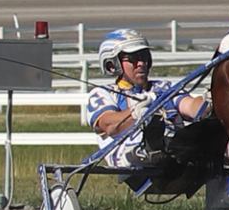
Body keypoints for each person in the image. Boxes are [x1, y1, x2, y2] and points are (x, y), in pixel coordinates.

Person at [84, 29, 209, 162]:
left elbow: (191, 106)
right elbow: (109, 125)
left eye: (144, 57)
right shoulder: (103, 94)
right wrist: (137, 113)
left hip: (175, 154)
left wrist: (210, 101)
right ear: (112, 64)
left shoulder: (164, 88)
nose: (141, 64)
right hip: (132, 160)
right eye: (133, 59)